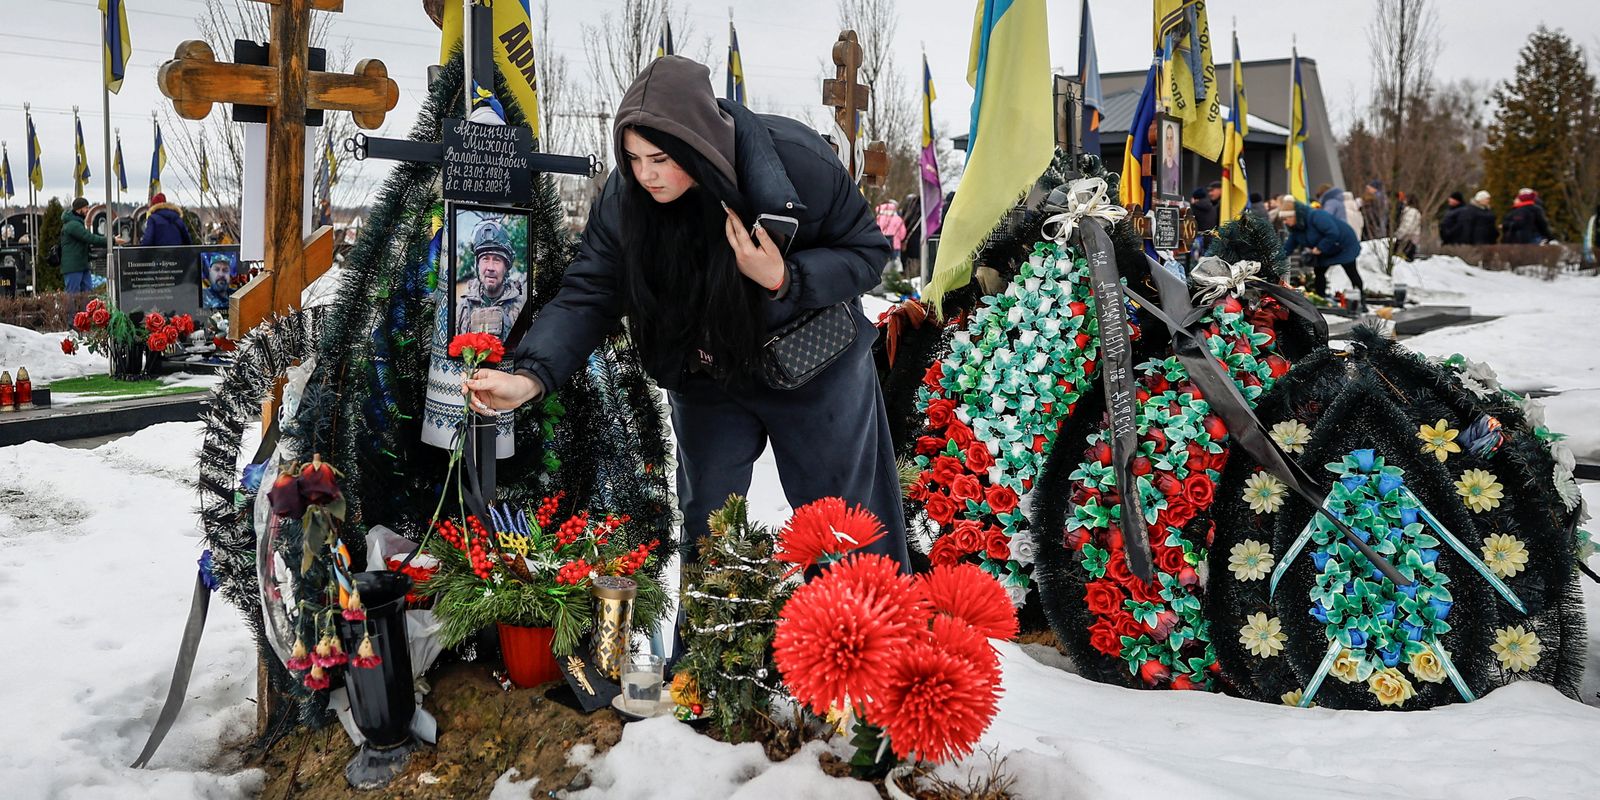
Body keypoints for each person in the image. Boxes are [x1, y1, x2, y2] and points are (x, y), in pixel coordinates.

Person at [462, 58, 910, 594]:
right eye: (631, 158)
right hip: (706, 372)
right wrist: (529, 375)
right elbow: (589, 292)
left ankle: (860, 662)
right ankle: (706, 672)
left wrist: (784, 276)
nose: (645, 174)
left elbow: (866, 253)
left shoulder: (794, 162)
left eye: (659, 158)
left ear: (699, 145)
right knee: (708, 529)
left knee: (842, 529)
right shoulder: (626, 198)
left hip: (813, 367)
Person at [1279, 194, 1363, 300]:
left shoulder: (1316, 216)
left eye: (1286, 219)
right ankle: (1320, 298)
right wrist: (1277, 258)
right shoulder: (1296, 229)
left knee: (1351, 271)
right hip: (1326, 249)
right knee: (1319, 271)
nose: (1284, 223)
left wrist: (1320, 248)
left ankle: (1360, 300)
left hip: (1343, 245)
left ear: (1294, 215)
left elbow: (1332, 232)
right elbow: (1288, 247)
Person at [455, 218, 526, 337]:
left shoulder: (520, 307)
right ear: (477, 265)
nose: (490, 267)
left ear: (506, 267)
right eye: (485, 259)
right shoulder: (463, 308)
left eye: (497, 260)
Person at [60, 197, 120, 293]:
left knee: (88, 293)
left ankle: (85, 308)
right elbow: (89, 238)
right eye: (86, 208)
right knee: (72, 294)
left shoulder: (78, 223)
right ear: (79, 209)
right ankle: (71, 309)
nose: (88, 210)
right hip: (73, 266)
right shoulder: (73, 225)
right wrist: (112, 240)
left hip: (82, 264)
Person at [875, 199, 907, 266]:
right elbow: (903, 233)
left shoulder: (878, 218)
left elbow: (875, 231)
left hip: (882, 244)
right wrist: (899, 239)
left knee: (883, 263)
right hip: (895, 245)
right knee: (895, 264)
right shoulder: (898, 218)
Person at [1393, 191, 1422, 260]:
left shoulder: (1411, 212)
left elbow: (1406, 226)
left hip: (1407, 239)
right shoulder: (1416, 211)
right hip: (1412, 239)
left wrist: (1398, 235)